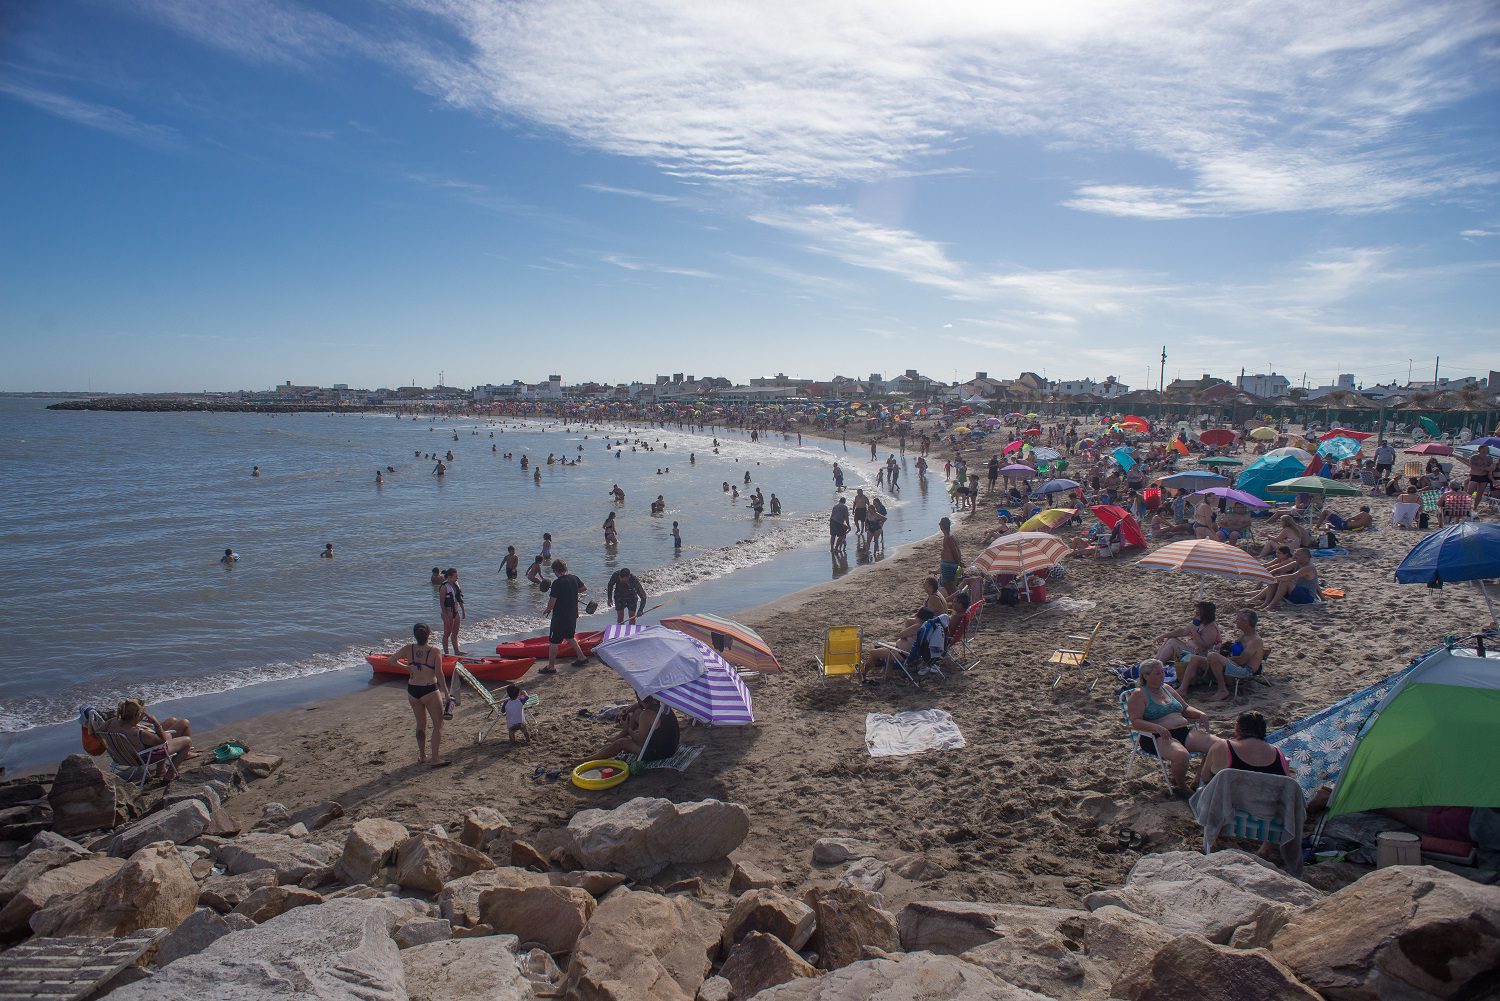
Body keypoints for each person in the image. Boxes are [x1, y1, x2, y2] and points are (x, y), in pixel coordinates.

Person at [1125, 659, 1215, 794]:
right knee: (1181, 756)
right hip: (1156, 737)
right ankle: (1181, 785)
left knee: (1216, 746)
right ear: (1145, 676)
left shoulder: (1167, 688)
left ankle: (1198, 780)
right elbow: (1135, 721)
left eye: (1162, 672)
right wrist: (1157, 728)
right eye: (1157, 673)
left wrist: (1200, 713)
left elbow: (1185, 708)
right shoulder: (1139, 695)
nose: (1162, 675)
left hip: (1183, 731)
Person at [389, 622, 450, 767]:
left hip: (413, 691)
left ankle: (422, 756)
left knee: (420, 725)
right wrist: (447, 694)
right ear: (429, 634)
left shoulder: (408, 648)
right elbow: (439, 674)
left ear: (415, 635)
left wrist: (406, 668)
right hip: (429, 690)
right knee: (438, 724)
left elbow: (391, 660)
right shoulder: (434, 651)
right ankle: (435, 759)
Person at [1180, 609, 1265, 701]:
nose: (1235, 621)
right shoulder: (1244, 635)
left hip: (1245, 671)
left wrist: (1222, 658)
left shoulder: (1255, 640)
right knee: (1195, 659)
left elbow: (1242, 661)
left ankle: (1222, 690)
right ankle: (1183, 689)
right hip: (1235, 665)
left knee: (1213, 656)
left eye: (1238, 619)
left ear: (1245, 623)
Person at [1197, 710, 1288, 786]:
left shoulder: (1223, 746)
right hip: (1267, 806)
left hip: (1229, 805)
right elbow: (1284, 786)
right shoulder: (1278, 753)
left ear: (1238, 728)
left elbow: (1205, 778)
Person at [103, 698, 196, 766]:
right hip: (144, 758)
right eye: (142, 714)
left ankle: (161, 769)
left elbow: (98, 731)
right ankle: (170, 774)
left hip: (125, 756)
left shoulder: (113, 722)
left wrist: (140, 725)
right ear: (137, 715)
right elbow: (163, 743)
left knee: (172, 720)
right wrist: (156, 723)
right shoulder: (139, 733)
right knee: (185, 725)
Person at [595, 696, 679, 762]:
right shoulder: (660, 702)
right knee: (637, 712)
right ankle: (617, 737)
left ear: (639, 698)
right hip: (672, 745)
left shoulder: (646, 714)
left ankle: (587, 759)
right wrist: (626, 711)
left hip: (660, 753)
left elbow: (641, 741)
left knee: (622, 742)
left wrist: (628, 728)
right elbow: (638, 705)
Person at [544, 559, 588, 673]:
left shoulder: (557, 583)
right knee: (569, 636)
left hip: (560, 617)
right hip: (572, 614)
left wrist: (548, 610)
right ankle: (581, 657)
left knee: (554, 641)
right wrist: (571, 591)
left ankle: (551, 667)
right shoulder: (574, 578)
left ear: (555, 570)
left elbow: (552, 602)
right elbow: (584, 588)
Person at [1155, 601, 1222, 665]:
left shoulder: (1211, 628)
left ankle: (1157, 665)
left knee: (1172, 642)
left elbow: (1203, 647)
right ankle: (1155, 662)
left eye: (1198, 614)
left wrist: (1194, 631)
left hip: (1202, 657)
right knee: (1170, 638)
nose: (1195, 615)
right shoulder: (1199, 622)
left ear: (1205, 615)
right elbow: (1183, 632)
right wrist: (1164, 636)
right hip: (1192, 651)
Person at [1252, 547, 1319, 609]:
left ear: (1306, 557)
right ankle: (1266, 603)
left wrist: (1273, 578)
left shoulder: (1309, 568)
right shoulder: (1296, 563)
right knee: (1275, 578)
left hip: (1307, 598)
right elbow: (1277, 570)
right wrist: (1266, 577)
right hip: (1295, 592)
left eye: (1297, 555)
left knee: (1284, 581)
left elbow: (1291, 576)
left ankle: (1271, 605)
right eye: (1294, 554)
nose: (1294, 556)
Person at [439, 568, 466, 655]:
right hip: (448, 613)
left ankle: (457, 651)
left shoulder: (456, 584)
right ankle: (446, 653)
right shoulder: (444, 587)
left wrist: (463, 610)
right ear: (449, 577)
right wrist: (445, 615)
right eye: (455, 576)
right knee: (447, 633)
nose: (457, 578)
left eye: (457, 576)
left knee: (455, 633)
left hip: (456, 612)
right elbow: (442, 603)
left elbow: (459, 599)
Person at [939, 516, 962, 597]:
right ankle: (954, 599)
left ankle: (955, 599)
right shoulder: (948, 536)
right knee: (948, 585)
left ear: (942, 526)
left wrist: (959, 562)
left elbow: (955, 551)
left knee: (949, 586)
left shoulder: (949, 537)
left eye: (940, 523)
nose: (939, 525)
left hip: (949, 566)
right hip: (948, 565)